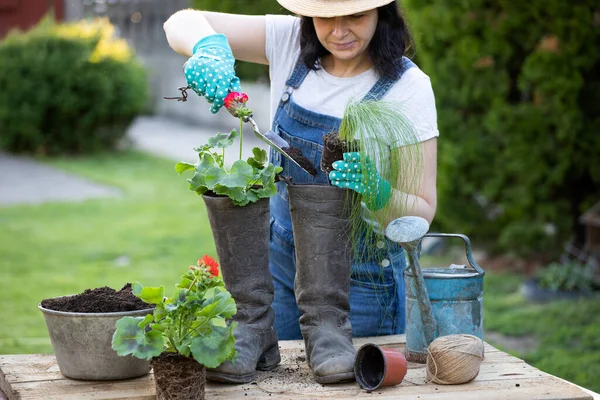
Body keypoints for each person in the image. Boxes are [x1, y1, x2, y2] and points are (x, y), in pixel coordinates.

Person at [163, 0, 438, 384]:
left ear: (382, 13)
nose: (339, 32)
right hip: (277, 263)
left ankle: (327, 325)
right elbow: (182, 21)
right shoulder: (289, 41)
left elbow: (421, 212)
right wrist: (209, 47)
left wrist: (377, 190)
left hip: (361, 279)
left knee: (351, 386)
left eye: (355, 16)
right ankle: (255, 329)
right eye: (325, 16)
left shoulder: (408, 88)